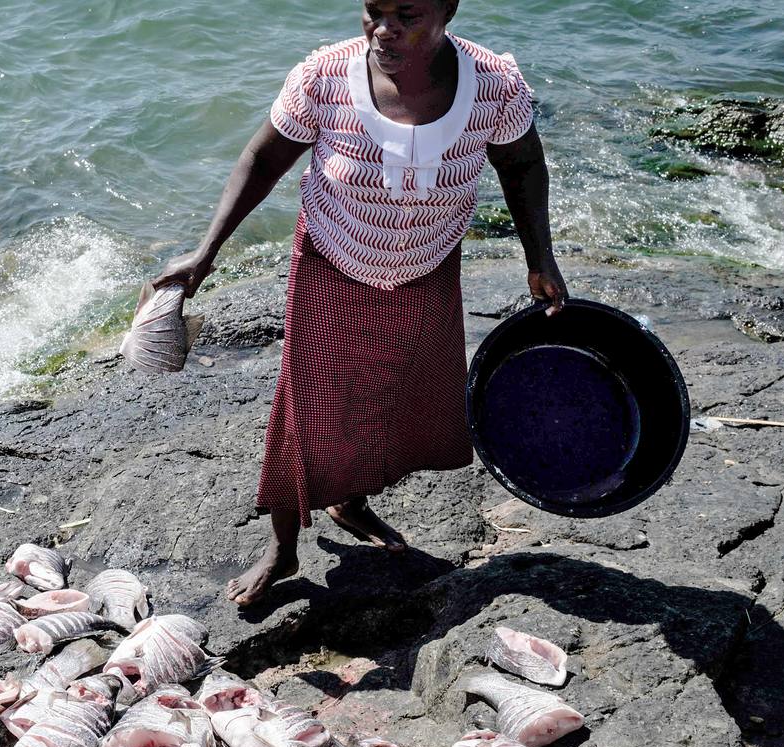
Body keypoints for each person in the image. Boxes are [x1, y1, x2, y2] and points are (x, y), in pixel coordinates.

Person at [154, 0, 568, 606]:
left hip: (426, 264)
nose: (384, 29)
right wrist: (205, 252)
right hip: (333, 259)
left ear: (449, 9)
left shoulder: (494, 86)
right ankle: (283, 545)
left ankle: (351, 500)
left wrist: (541, 257)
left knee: (389, 395)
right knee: (305, 410)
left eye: (407, 14)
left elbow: (523, 165)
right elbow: (262, 160)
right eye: (373, 11)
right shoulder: (324, 78)